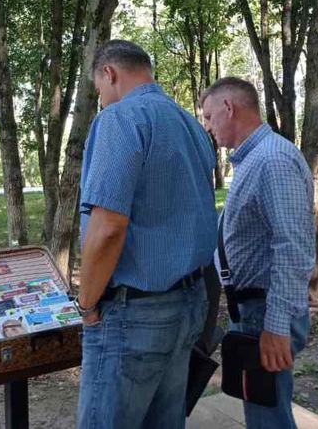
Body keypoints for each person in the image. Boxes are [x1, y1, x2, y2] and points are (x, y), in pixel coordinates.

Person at [75, 39, 218, 429]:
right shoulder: (189, 123)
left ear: (109, 74)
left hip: (134, 314)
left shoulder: (120, 119)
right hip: (190, 302)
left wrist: (86, 304)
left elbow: (108, 228)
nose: (102, 100)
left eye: (99, 90)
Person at [201, 77, 315, 429]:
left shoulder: (272, 160)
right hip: (253, 309)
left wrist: (276, 326)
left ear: (229, 107)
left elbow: (293, 247)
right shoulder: (256, 158)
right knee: (262, 408)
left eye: (209, 117)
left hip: (265, 312)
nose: (208, 127)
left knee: (268, 417)